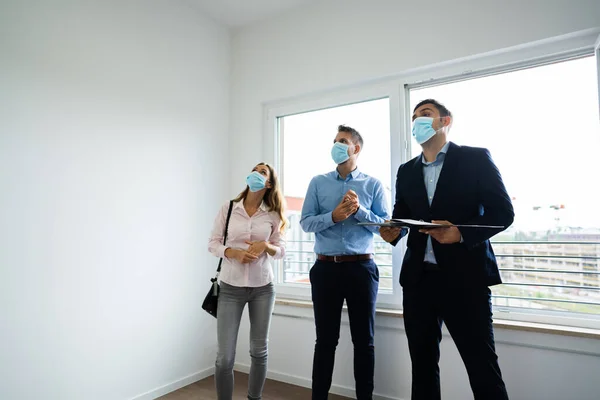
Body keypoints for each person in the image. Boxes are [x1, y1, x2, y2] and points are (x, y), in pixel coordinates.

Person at [380, 99, 514, 400]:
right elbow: (402, 216)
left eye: (425, 115)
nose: (417, 121)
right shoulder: (407, 171)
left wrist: (460, 233)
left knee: (482, 368)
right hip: (418, 281)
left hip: (465, 280)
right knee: (423, 368)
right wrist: (393, 231)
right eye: (414, 117)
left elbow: (503, 213)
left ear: (445, 120)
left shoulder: (476, 158)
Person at [300, 125, 390, 400]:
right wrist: (334, 216)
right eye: (335, 141)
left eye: (343, 141)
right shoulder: (318, 182)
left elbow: (386, 228)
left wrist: (358, 210)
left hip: (361, 270)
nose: (336, 145)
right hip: (325, 269)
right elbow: (305, 222)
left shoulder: (373, 184)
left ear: (356, 148)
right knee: (325, 341)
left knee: (364, 342)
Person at [208, 162, 287, 400]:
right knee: (224, 358)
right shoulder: (229, 208)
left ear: (269, 183)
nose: (257, 173)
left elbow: (282, 251)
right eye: (255, 169)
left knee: (259, 351)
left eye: (263, 172)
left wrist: (267, 246)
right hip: (230, 288)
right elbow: (212, 243)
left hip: (263, 288)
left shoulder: (273, 214)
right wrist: (233, 253)